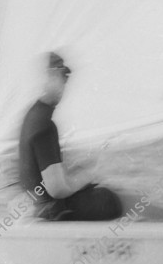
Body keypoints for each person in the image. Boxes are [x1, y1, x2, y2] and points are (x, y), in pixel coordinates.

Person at [19, 52, 122, 221]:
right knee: (111, 199)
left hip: (42, 205)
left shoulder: (33, 115)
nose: (65, 85)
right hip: (53, 210)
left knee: (113, 194)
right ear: (50, 77)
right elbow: (57, 189)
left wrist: (77, 171)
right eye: (63, 77)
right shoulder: (44, 125)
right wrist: (89, 174)